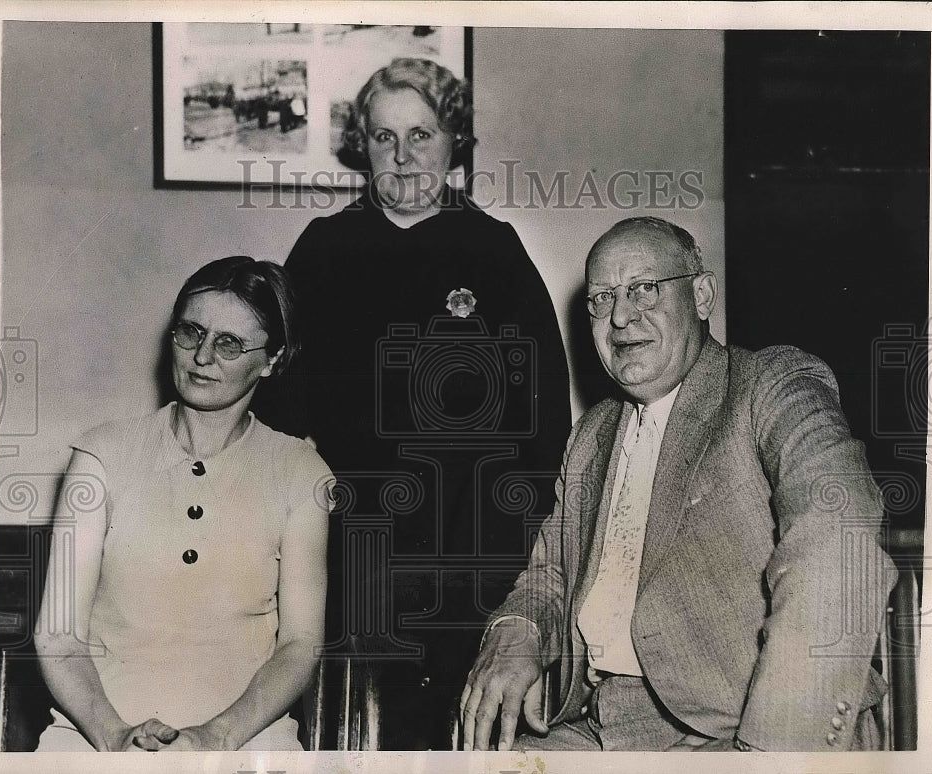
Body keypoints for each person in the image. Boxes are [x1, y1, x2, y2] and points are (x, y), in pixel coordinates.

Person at [460, 216, 898, 752]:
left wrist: (767, 747)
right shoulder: (593, 433)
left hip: (741, 727)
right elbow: (550, 571)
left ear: (702, 294)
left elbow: (838, 541)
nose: (621, 316)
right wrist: (516, 630)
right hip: (599, 728)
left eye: (645, 288)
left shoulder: (772, 386)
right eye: (601, 298)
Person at [251, 58, 571, 749]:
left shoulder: (493, 250)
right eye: (383, 137)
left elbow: (543, 422)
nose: (402, 156)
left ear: (454, 141)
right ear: (360, 144)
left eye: (421, 135)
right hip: (351, 543)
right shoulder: (324, 249)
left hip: (471, 541)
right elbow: (279, 418)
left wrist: (511, 543)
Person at [34, 257, 334, 751]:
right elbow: (58, 636)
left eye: (229, 344)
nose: (201, 357)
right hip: (91, 736)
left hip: (245, 741)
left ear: (273, 359)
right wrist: (113, 737)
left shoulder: (302, 475)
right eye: (190, 333)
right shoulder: (101, 457)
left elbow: (299, 647)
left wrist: (215, 738)